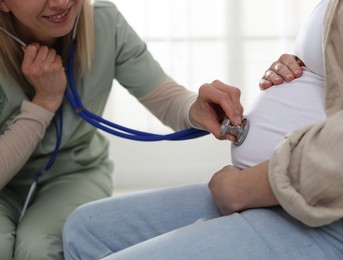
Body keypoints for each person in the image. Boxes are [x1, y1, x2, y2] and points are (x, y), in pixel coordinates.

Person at [63, 0, 343, 259]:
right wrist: (311, 65)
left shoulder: (104, 21)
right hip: (284, 193)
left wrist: (243, 188)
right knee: (85, 229)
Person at [0, 0, 245, 259]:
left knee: (40, 248)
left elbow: (167, 99)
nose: (61, 2)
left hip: (73, 173)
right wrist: (44, 104)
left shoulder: (105, 23)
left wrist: (194, 109)